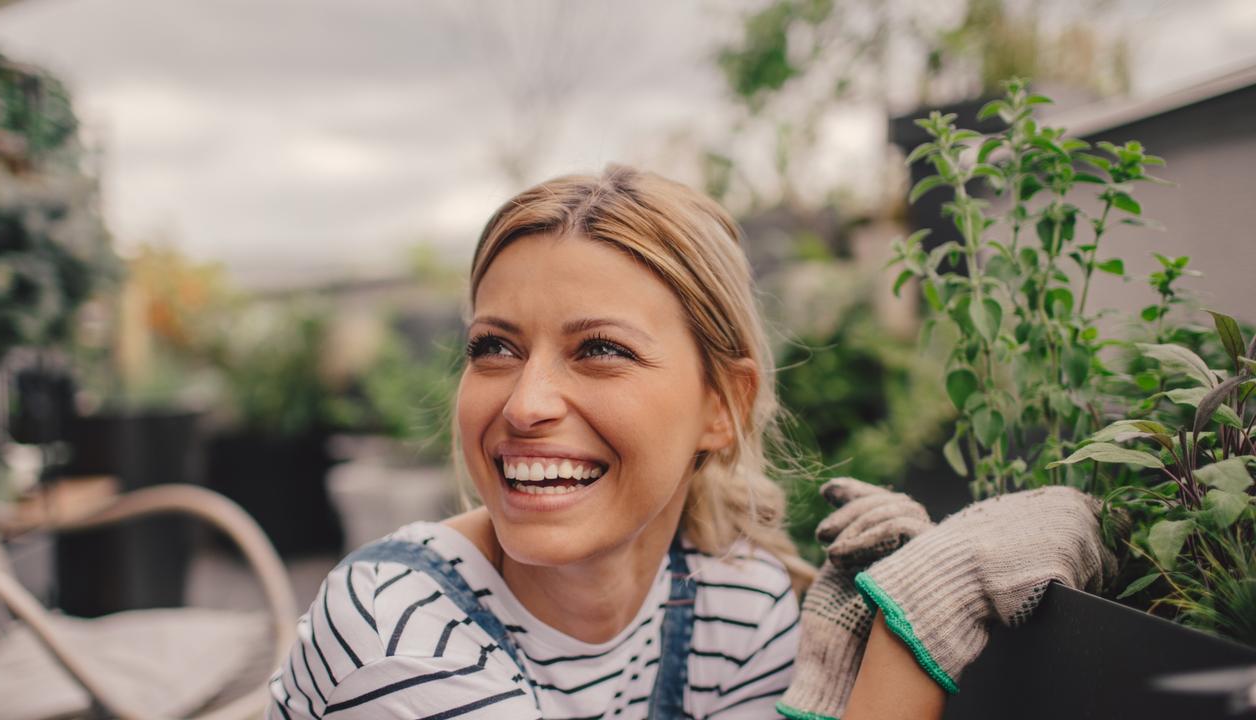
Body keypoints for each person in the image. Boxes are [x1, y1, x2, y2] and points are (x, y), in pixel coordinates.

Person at [267, 166, 1119, 720]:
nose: (524, 403)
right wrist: (918, 627)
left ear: (724, 404)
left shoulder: (729, 604)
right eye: (495, 347)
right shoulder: (396, 627)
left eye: (598, 350)